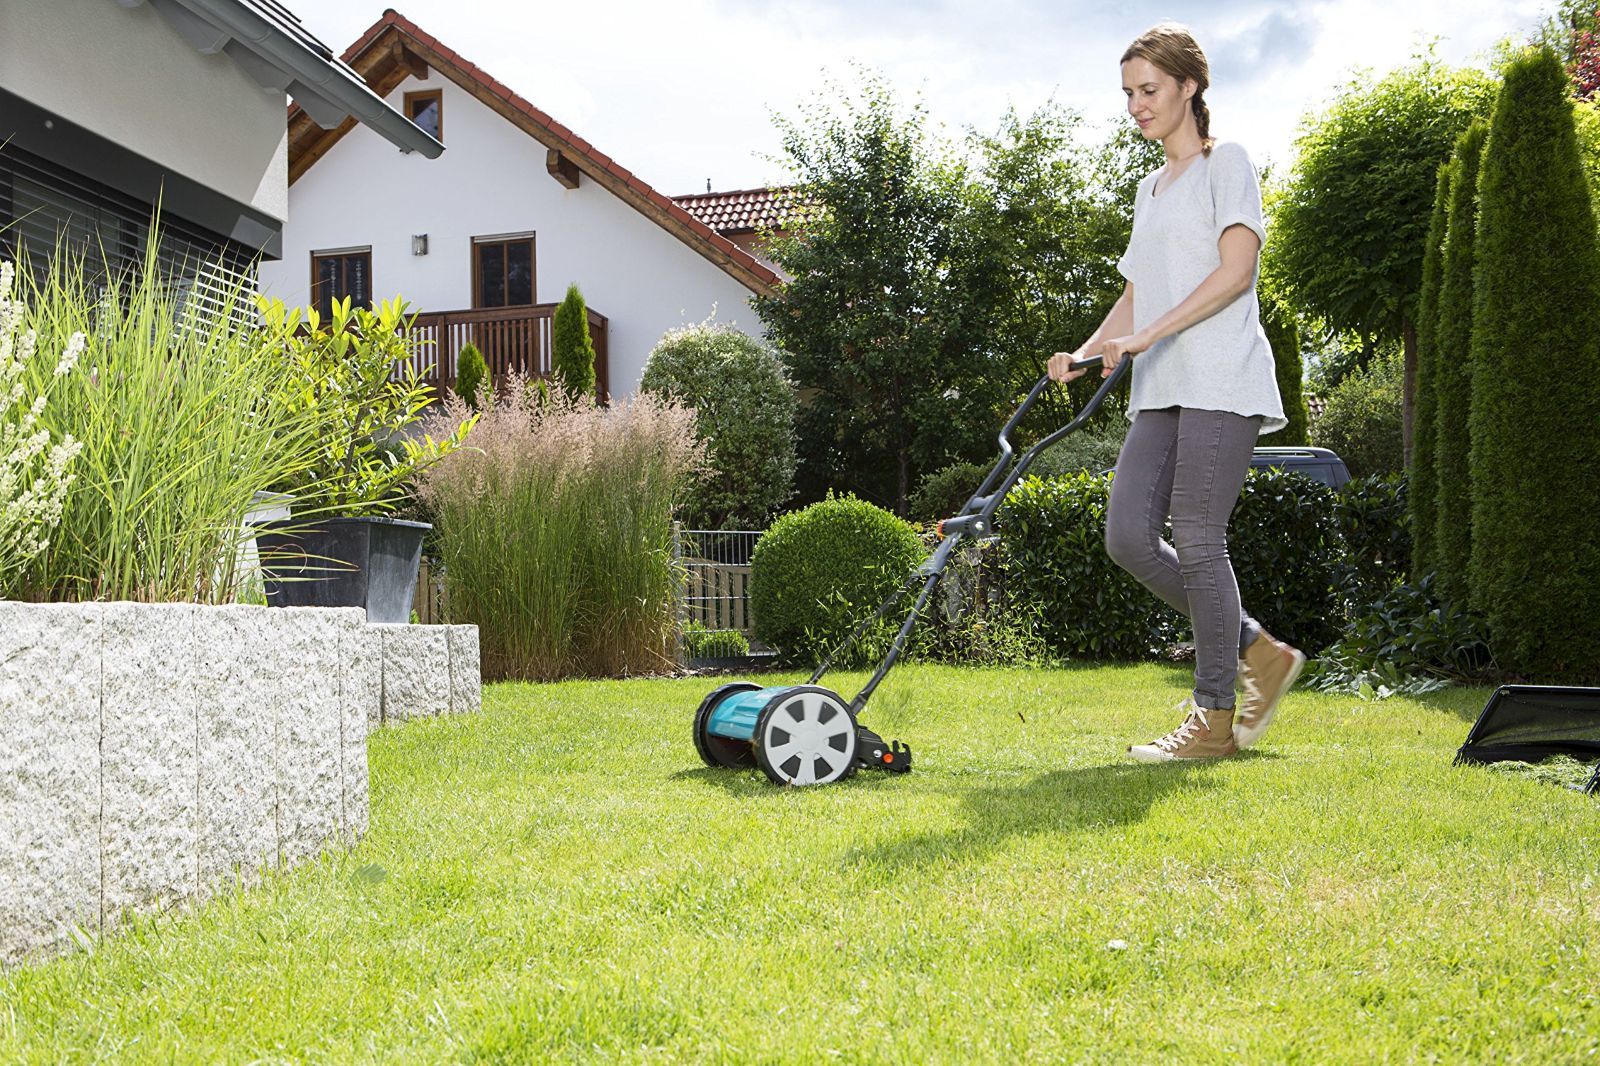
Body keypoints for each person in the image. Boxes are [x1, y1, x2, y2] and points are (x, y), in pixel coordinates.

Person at [1048, 22, 1305, 762]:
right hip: (1161, 387)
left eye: (1149, 90)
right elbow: (1135, 294)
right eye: (1128, 93)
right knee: (1128, 535)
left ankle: (1214, 718)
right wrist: (1090, 350)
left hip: (1220, 376)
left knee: (1197, 535)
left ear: (1189, 87)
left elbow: (1236, 273)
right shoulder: (1148, 186)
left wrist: (1149, 333)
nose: (1136, 105)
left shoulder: (1228, 163)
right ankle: (1260, 650)